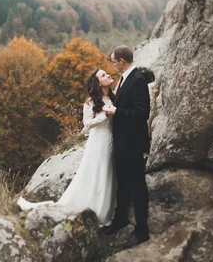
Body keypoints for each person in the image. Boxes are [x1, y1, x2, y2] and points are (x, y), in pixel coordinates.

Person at [18, 68, 117, 228]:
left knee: (109, 173)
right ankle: (94, 209)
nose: (108, 75)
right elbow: (86, 125)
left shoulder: (114, 97)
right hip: (98, 141)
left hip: (112, 140)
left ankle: (107, 209)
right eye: (103, 75)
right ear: (97, 83)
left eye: (106, 73)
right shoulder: (91, 102)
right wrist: (103, 115)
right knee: (97, 172)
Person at [102, 45, 151, 249]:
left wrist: (116, 112)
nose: (112, 65)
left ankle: (142, 230)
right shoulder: (123, 80)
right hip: (122, 142)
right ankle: (120, 219)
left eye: (113, 61)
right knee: (123, 183)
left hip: (132, 143)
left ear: (122, 61)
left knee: (138, 185)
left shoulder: (138, 80)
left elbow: (142, 113)